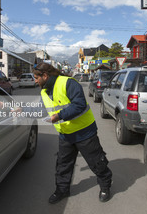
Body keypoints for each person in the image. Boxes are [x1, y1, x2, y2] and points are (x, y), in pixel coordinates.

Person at [33, 62, 113, 204]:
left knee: (96, 162)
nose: (35, 80)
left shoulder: (68, 83)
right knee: (63, 165)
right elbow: (40, 108)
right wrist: (21, 110)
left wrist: (59, 116)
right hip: (65, 134)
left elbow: (79, 104)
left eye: (36, 77)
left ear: (44, 76)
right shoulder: (44, 92)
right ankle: (62, 190)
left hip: (85, 132)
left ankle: (105, 186)